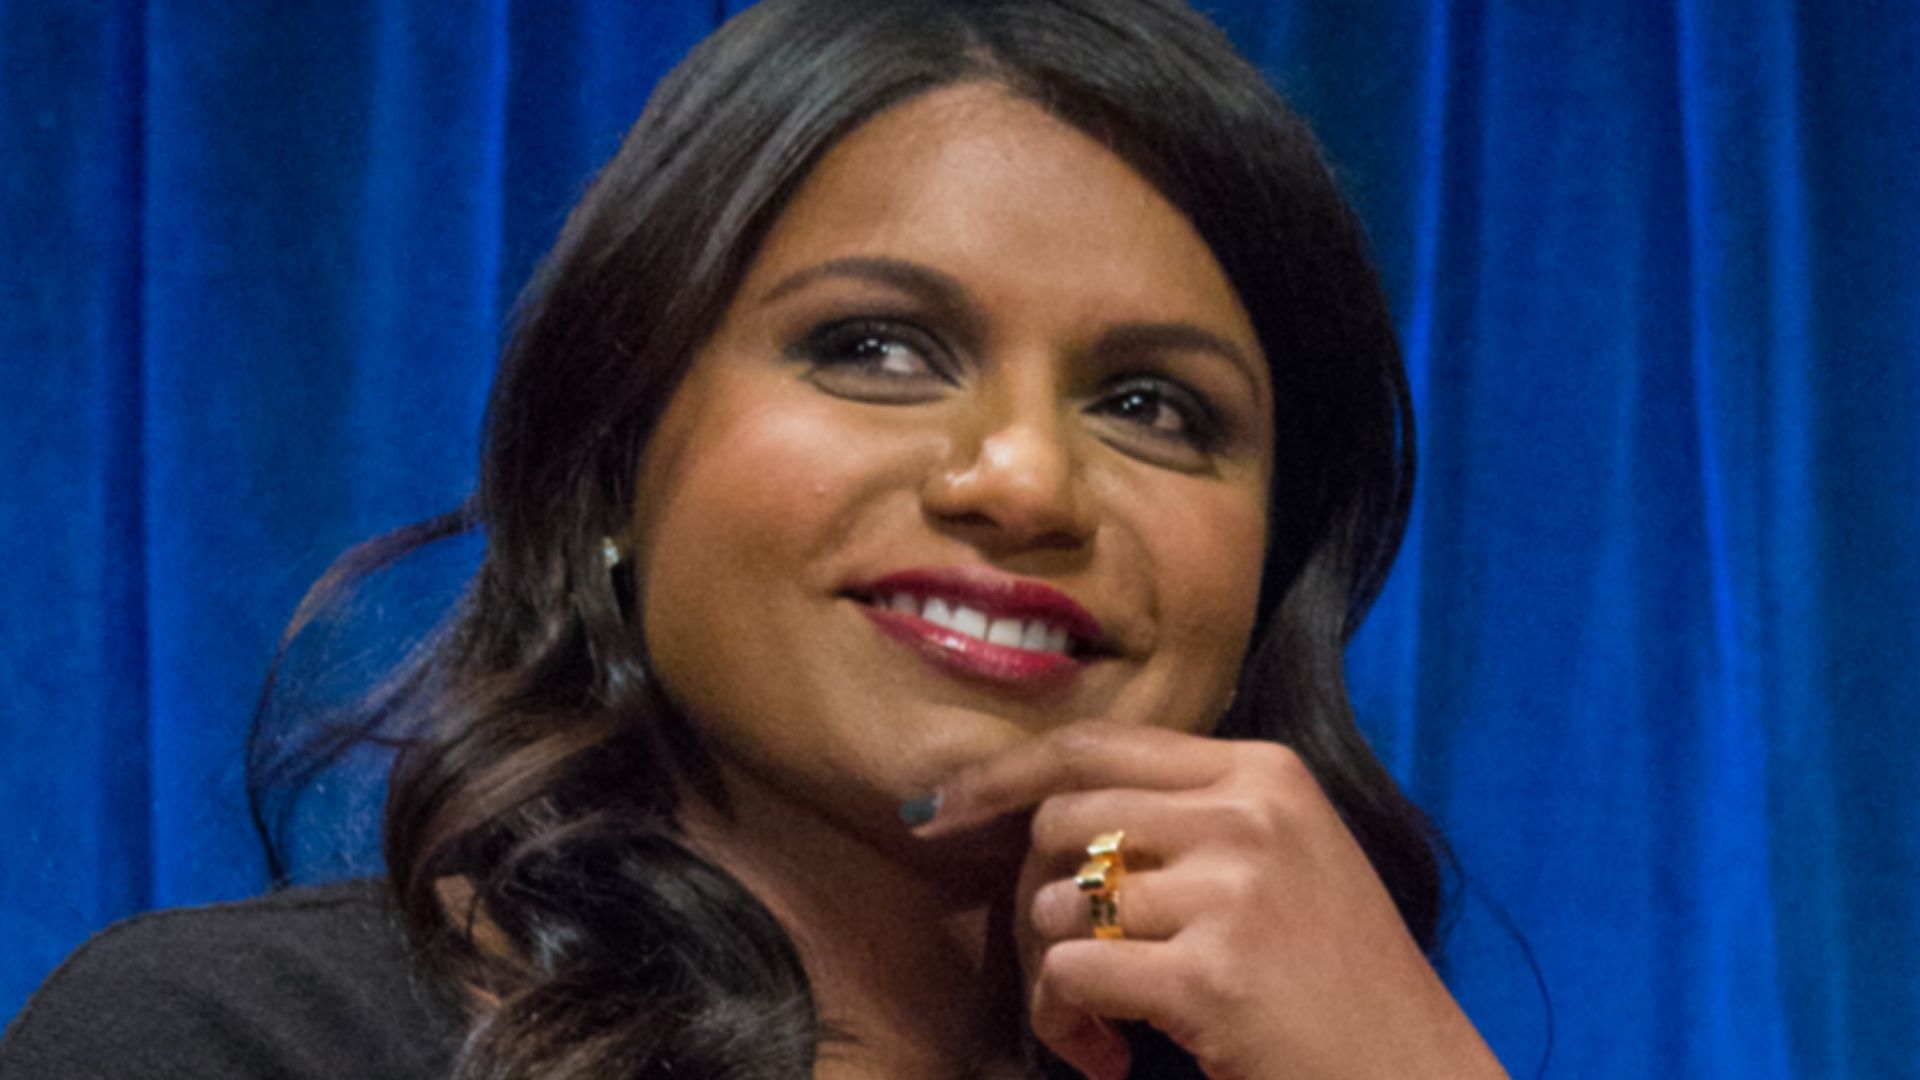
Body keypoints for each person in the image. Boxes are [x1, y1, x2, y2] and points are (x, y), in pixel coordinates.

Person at [1, 0, 1506, 1076]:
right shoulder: (234, 1041)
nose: (1026, 482)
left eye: (1152, 406)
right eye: (876, 347)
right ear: (610, 459)